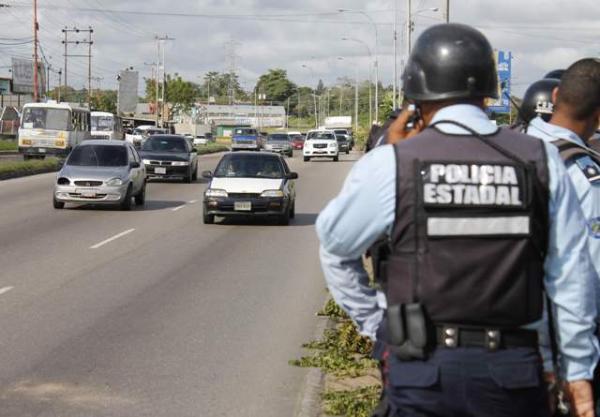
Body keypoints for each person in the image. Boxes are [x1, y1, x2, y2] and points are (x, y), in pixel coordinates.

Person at [316, 23, 598, 417]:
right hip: (514, 375)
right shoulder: (539, 160)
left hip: (421, 372)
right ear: (487, 89)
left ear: (416, 94)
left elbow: (335, 247)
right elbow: (570, 274)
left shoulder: (393, 164)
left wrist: (377, 325)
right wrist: (577, 369)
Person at [525, 58, 600, 414]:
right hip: (566, 340)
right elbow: (586, 274)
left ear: (556, 95)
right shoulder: (585, 175)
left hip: (507, 339)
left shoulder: (510, 151)